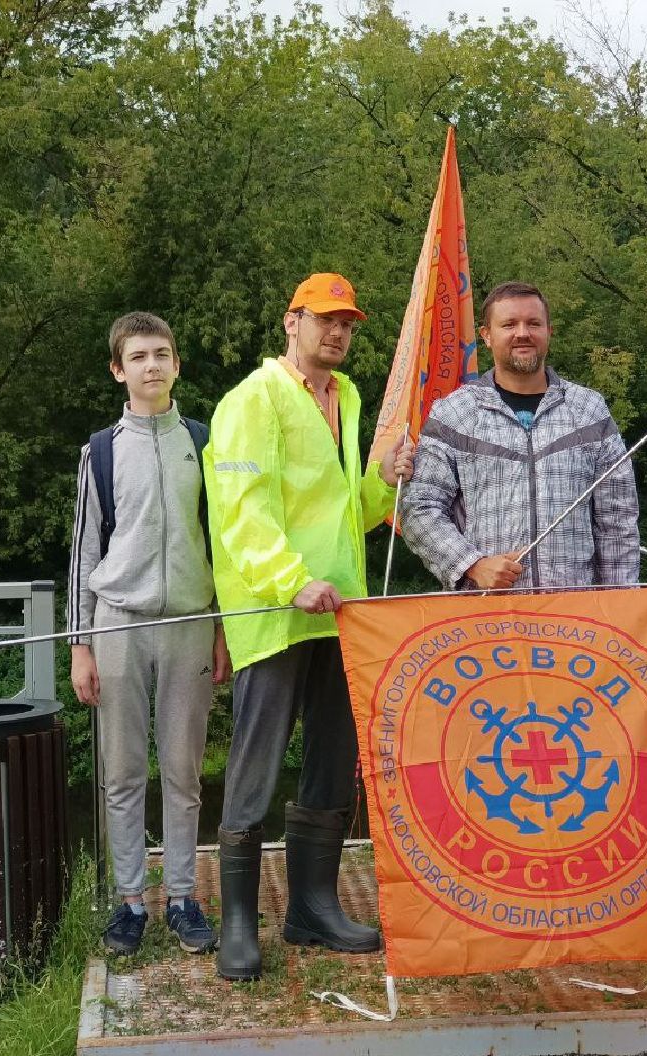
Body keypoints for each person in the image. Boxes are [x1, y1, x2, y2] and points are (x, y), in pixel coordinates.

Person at [204, 272, 414, 981]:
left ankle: (312, 909)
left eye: (348, 322)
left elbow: (345, 514)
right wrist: (290, 580)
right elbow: (241, 507)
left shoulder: (347, 398)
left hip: (340, 608)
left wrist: (384, 478)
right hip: (275, 608)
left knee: (332, 757)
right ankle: (239, 920)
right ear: (290, 322)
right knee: (256, 761)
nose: (338, 332)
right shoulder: (253, 399)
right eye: (325, 318)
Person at [67, 311, 231, 957]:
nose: (152, 366)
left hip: (192, 621)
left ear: (177, 363)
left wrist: (221, 628)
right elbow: (83, 551)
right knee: (122, 771)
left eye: (162, 353)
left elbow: (223, 544)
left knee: (185, 771)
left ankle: (185, 898)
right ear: (119, 370)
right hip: (119, 624)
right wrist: (80, 643)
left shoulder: (205, 442)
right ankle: (131, 903)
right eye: (138, 357)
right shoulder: (100, 451)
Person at [401, 280, 639, 590]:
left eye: (534, 323)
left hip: (575, 619)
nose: (523, 333)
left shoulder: (588, 410)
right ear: (487, 335)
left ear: (549, 331)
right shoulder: (454, 414)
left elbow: (617, 521)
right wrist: (472, 564)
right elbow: (418, 508)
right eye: (509, 324)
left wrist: (621, 604)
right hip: (485, 616)